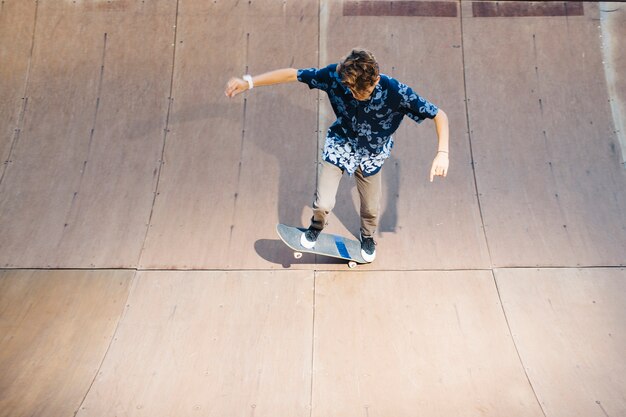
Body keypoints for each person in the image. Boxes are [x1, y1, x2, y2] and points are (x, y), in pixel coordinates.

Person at [225, 48, 449, 262]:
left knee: (371, 208)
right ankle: (315, 228)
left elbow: (439, 115)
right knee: (323, 203)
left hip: (372, 154)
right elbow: (294, 74)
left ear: (375, 81)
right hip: (341, 144)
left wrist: (442, 153)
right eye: (349, 90)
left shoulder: (397, 92)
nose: (352, 94)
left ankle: (368, 238)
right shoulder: (336, 75)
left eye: (358, 92)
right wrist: (249, 82)